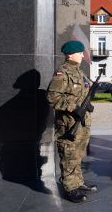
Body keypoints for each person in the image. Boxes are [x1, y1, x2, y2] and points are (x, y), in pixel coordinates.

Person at [47, 41, 97, 203]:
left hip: (82, 122)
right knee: (69, 154)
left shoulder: (79, 72)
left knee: (78, 153)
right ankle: (69, 187)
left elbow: (81, 94)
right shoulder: (63, 73)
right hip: (69, 123)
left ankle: (78, 182)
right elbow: (52, 97)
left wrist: (87, 104)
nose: (83, 55)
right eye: (80, 52)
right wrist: (73, 107)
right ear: (70, 54)